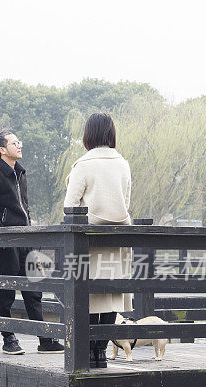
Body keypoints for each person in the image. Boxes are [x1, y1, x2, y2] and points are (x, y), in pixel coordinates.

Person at [0, 131, 65, 355]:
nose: (19, 146)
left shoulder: (20, 173)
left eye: (19, 142)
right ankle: (9, 339)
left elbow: (24, 209)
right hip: (7, 243)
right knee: (7, 292)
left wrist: (31, 235)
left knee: (33, 291)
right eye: (14, 143)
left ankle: (44, 339)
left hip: (27, 241)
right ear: (2, 149)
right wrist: (3, 238)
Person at [63, 113, 134, 368]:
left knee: (88, 296)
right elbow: (125, 202)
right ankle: (101, 352)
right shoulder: (122, 163)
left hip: (88, 242)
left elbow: (70, 206)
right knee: (112, 297)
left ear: (88, 135)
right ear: (111, 133)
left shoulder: (83, 165)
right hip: (117, 240)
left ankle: (89, 350)